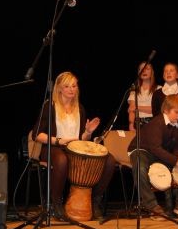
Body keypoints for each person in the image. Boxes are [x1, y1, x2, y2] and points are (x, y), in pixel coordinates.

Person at [32, 71, 116, 221]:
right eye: (67, 86)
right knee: (62, 160)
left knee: (109, 160)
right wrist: (58, 141)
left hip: (75, 148)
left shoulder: (80, 108)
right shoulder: (50, 106)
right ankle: (55, 204)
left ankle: (94, 200)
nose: (71, 89)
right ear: (59, 88)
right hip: (54, 147)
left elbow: (81, 139)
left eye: (74, 86)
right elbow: (37, 134)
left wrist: (88, 132)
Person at [127, 94, 178, 220]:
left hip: (158, 152)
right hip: (142, 150)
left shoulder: (176, 125)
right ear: (166, 110)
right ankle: (152, 206)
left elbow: (174, 148)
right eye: (176, 112)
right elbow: (155, 148)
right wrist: (176, 161)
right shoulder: (157, 123)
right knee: (141, 166)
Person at [127, 62, 157, 131]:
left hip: (153, 122)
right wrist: (131, 124)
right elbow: (131, 110)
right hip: (137, 123)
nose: (143, 71)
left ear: (152, 72)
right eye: (141, 69)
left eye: (147, 68)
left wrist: (136, 107)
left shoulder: (158, 89)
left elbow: (155, 109)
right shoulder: (134, 91)